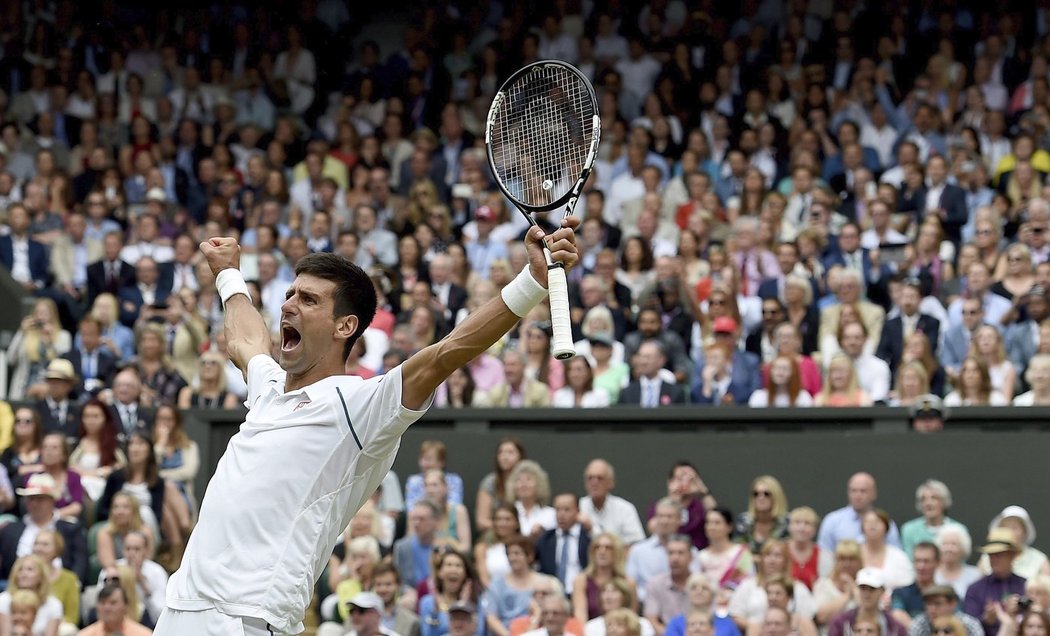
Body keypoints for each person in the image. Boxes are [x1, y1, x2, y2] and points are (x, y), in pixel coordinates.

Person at [0, 473, 88, 585]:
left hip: (60, 588)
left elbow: (80, 561)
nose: (34, 503)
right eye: (31, 499)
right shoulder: (10, 530)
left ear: (52, 500)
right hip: (16, 589)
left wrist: (73, 585)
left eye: (40, 499)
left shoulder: (70, 528)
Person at [963, 529, 1027, 635]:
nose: (994, 559)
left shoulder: (1025, 585)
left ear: (1012, 556)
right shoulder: (975, 589)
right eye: (991, 555)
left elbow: (1036, 621)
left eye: (999, 555)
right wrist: (986, 620)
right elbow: (967, 627)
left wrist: (1018, 612)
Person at [817, 473, 901, 552]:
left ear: (874, 494)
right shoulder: (832, 521)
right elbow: (824, 555)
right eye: (853, 491)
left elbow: (895, 553)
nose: (858, 496)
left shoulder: (885, 523)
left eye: (863, 491)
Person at [487, 535, 547, 636]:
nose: (512, 558)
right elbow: (491, 617)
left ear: (529, 556)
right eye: (509, 554)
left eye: (517, 553)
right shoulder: (496, 585)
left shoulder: (544, 582)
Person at [578, 460, 646, 547]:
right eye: (590, 478)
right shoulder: (578, 508)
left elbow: (636, 545)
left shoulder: (625, 509)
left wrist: (591, 529)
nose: (594, 483)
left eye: (600, 478)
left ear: (611, 482)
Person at [570, 533, 633, 624]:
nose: (602, 552)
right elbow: (580, 617)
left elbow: (631, 617)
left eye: (608, 548)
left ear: (617, 552)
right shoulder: (581, 580)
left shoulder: (628, 582)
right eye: (597, 547)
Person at [825, 568, 907, 636]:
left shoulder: (895, 627)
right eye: (863, 588)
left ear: (882, 591)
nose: (867, 594)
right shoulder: (839, 623)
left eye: (872, 589)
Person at [536, 494, 591, 594]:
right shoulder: (546, 539)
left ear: (578, 511)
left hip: (581, 593)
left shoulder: (587, 538)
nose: (561, 515)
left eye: (567, 510)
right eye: (557, 510)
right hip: (553, 596)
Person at [976, 506, 1050, 581]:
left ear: (1025, 532)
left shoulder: (1040, 560)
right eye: (1005, 527)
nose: (1009, 532)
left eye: (1014, 528)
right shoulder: (985, 559)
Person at [900, 481, 967, 558]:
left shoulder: (958, 530)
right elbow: (910, 560)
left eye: (934, 498)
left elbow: (961, 561)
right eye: (923, 499)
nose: (928, 503)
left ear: (944, 502)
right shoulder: (909, 530)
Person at [0, 555, 64, 636]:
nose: (24, 574)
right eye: (20, 569)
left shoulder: (53, 604)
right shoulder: (4, 599)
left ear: (41, 576)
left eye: (30, 569)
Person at [475, 438, 527, 535]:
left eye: (510, 452)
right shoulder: (490, 482)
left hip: (523, 534)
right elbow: (481, 521)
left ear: (521, 456)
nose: (504, 457)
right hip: (495, 534)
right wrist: (503, 528)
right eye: (501, 453)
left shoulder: (527, 482)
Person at [664, 573, 739, 636]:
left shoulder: (726, 623)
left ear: (712, 595)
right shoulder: (676, 623)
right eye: (693, 588)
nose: (699, 591)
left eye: (704, 588)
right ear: (688, 594)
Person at [860, 510, 915, 591]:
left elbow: (907, 584)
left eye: (877, 521)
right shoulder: (853, 554)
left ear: (886, 527)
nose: (872, 525)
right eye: (868, 522)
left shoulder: (899, 556)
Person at [735, 477, 790, 555]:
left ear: (776, 496)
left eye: (766, 494)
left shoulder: (788, 523)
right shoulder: (743, 521)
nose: (761, 498)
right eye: (756, 494)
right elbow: (738, 554)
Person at [890, 543, 940, 627]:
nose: (921, 566)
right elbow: (898, 614)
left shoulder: (946, 595)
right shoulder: (900, 593)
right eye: (917, 561)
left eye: (926, 561)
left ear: (937, 563)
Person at [77, 582, 154, 635]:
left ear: (126, 606)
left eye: (113, 603)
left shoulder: (144, 634)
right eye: (103, 603)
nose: (107, 608)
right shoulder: (85, 634)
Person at [475, 503, 521, 588]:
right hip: (492, 594)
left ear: (516, 522)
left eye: (508, 519)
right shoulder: (482, 548)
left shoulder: (524, 547)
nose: (503, 523)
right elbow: (484, 579)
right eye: (498, 519)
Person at [906, 585, 983, 636]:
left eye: (937, 604)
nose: (932, 609)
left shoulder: (969, 624)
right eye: (929, 604)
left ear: (952, 604)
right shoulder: (919, 624)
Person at [785, 508, 831, 591]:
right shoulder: (780, 551)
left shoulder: (824, 556)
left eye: (807, 524)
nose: (801, 528)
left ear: (814, 530)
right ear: (789, 527)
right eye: (797, 522)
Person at [934, 526, 981, 601]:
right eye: (945, 544)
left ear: (963, 548)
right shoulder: (931, 574)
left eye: (954, 544)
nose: (949, 549)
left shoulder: (975, 575)